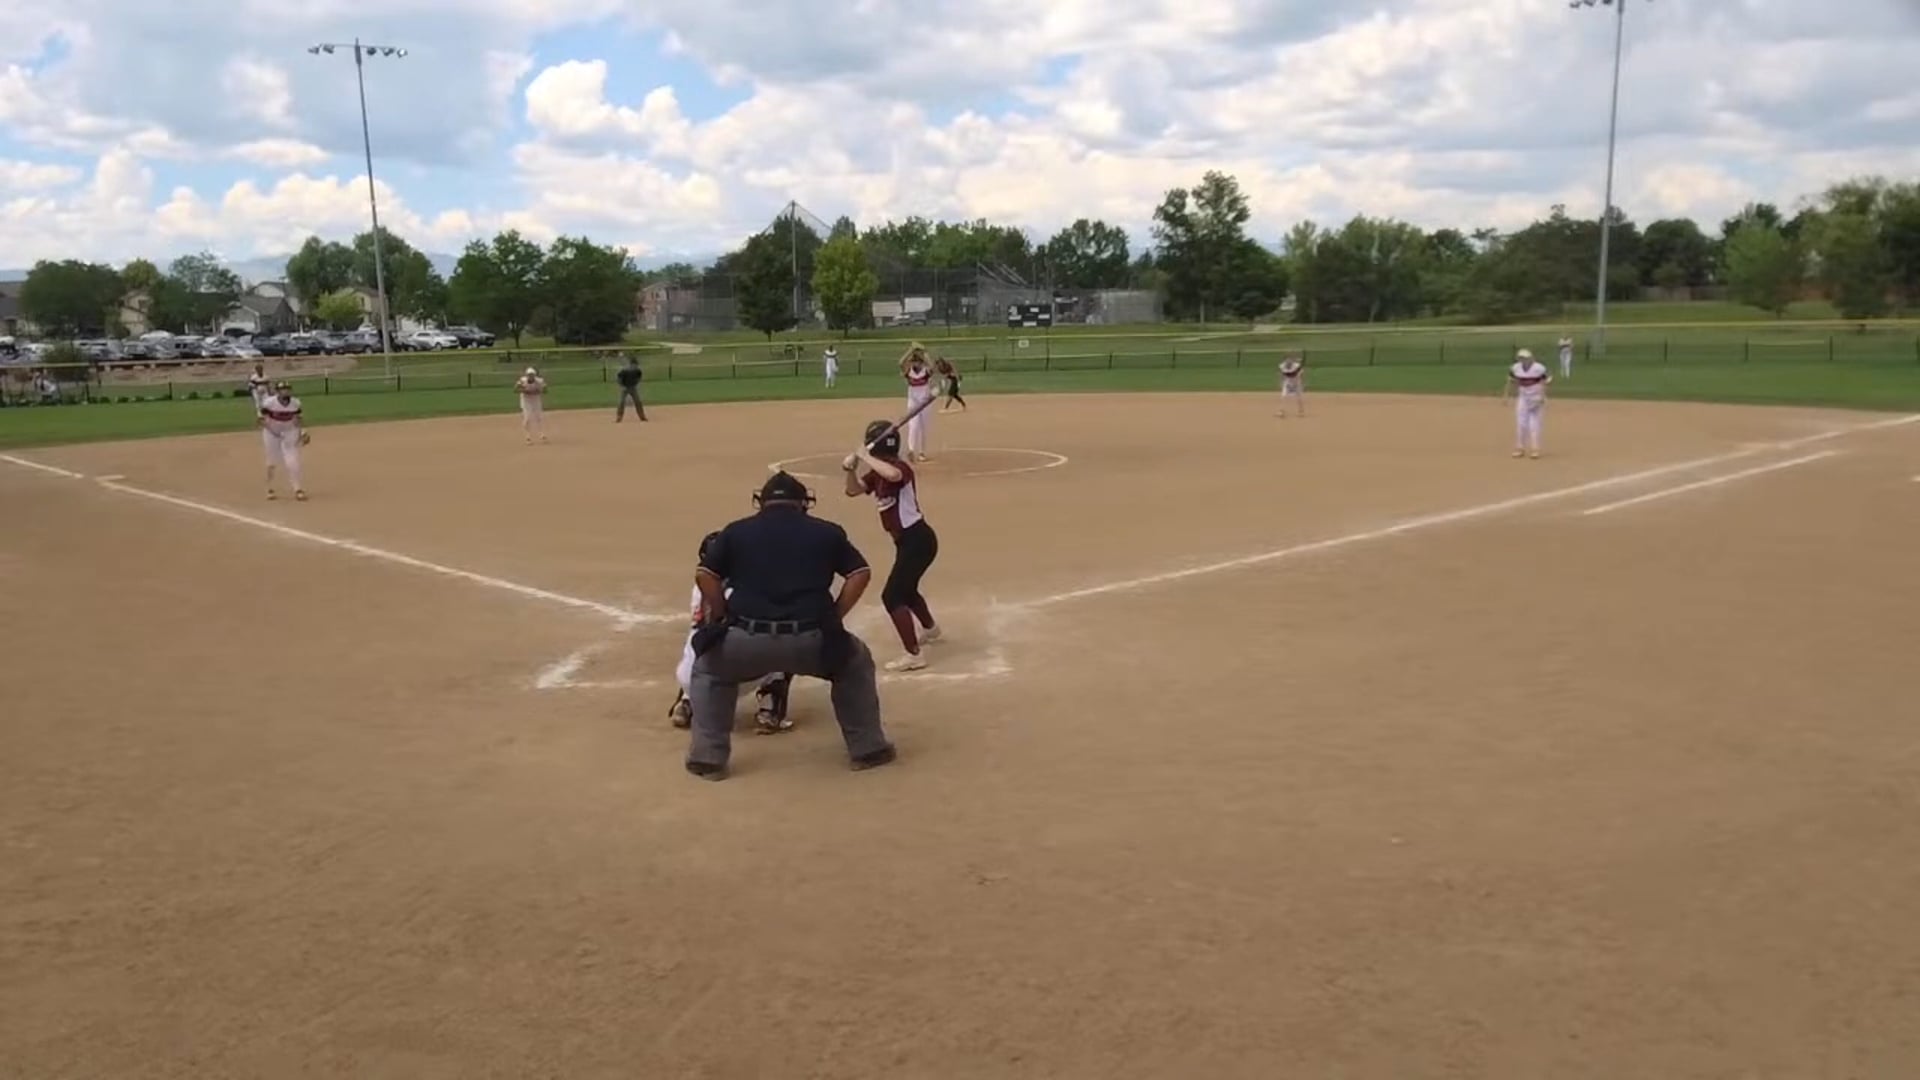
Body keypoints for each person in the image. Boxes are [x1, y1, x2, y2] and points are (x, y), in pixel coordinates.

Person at [684, 471, 895, 780]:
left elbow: (705, 574)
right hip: (812, 640)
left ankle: (708, 760)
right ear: (803, 503)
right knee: (855, 664)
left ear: (761, 502)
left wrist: (722, 613)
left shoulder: (736, 531)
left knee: (710, 671)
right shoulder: (827, 532)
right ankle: (868, 750)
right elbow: (859, 573)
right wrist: (834, 616)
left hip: (746, 640)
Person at [668, 531, 795, 735]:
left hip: (694, 677)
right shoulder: (756, 586)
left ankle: (687, 700)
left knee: (698, 639)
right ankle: (770, 708)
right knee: (786, 639)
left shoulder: (700, 586)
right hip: (743, 677)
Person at [843, 419, 941, 672]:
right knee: (906, 589)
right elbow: (853, 491)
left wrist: (864, 456)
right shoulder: (878, 473)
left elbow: (894, 475)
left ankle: (914, 655)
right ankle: (931, 629)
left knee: (892, 596)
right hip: (909, 542)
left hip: (918, 539)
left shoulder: (899, 468)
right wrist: (850, 470)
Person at [258, 380, 308, 500]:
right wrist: (273, 431)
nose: (286, 391)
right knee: (271, 462)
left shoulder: (295, 403)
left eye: (287, 389)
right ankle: (269, 488)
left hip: (289, 432)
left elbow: (297, 419)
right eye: (283, 389)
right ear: (277, 391)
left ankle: (298, 489)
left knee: (293, 461)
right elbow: (261, 420)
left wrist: (303, 431)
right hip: (271, 433)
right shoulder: (269, 403)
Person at [1503, 348, 1552, 459]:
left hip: (1536, 398)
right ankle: (1519, 448)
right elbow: (1510, 381)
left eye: (1525, 358)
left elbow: (1545, 381)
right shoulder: (1515, 368)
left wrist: (1543, 396)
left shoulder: (1539, 368)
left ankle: (1535, 449)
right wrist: (1506, 395)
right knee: (1521, 423)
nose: (1523, 360)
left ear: (1531, 358)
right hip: (1523, 398)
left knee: (1534, 424)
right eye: (1521, 358)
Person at [899, 344, 936, 461]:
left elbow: (932, 366)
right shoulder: (909, 371)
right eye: (913, 362)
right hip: (913, 403)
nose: (915, 364)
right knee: (913, 426)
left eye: (917, 362)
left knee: (923, 428)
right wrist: (910, 350)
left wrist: (925, 353)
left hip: (925, 403)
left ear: (921, 363)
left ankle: (922, 452)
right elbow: (900, 363)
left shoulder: (925, 371)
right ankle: (911, 450)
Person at [515, 366, 548, 443]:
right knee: (527, 418)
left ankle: (541, 434)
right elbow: (515, 389)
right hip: (526, 401)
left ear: (534, 375)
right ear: (526, 375)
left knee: (539, 417)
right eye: (529, 375)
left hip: (536, 400)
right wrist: (524, 391)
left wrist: (539, 391)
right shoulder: (522, 381)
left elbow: (546, 390)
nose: (531, 376)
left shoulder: (539, 381)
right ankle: (528, 436)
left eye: (532, 374)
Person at [615, 355, 646, 422]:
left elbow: (639, 377)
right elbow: (619, 378)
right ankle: (619, 417)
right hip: (625, 388)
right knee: (621, 402)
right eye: (635, 365)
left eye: (636, 365)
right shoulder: (624, 371)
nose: (636, 366)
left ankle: (642, 416)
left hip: (633, 388)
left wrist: (636, 384)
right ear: (631, 364)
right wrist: (622, 386)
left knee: (638, 401)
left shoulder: (637, 371)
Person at [1277, 353, 1305, 418]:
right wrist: (1281, 382)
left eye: (1290, 360)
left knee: (1299, 397)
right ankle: (1281, 411)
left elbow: (1301, 374)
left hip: (1296, 383)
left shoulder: (1296, 366)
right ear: (1284, 361)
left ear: (1292, 360)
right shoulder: (1282, 366)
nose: (1289, 361)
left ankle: (1301, 411)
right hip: (1287, 383)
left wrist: (1302, 382)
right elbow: (1281, 375)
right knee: (1283, 396)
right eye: (1287, 360)